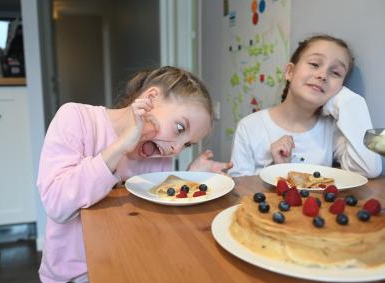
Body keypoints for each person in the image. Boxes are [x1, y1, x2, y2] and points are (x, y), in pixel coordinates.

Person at [36, 66, 233, 283]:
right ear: (150, 98)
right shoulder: (77, 118)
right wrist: (119, 146)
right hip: (72, 276)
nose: (176, 149)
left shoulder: (160, 157)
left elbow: (152, 219)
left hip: (125, 268)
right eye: (179, 128)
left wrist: (189, 179)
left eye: (187, 144)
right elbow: (58, 206)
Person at [229, 34, 382, 177]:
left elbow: (370, 169)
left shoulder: (332, 130)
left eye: (335, 73)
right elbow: (239, 190)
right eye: (315, 64)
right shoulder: (250, 127)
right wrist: (276, 169)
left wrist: (349, 101)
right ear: (290, 72)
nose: (322, 75)